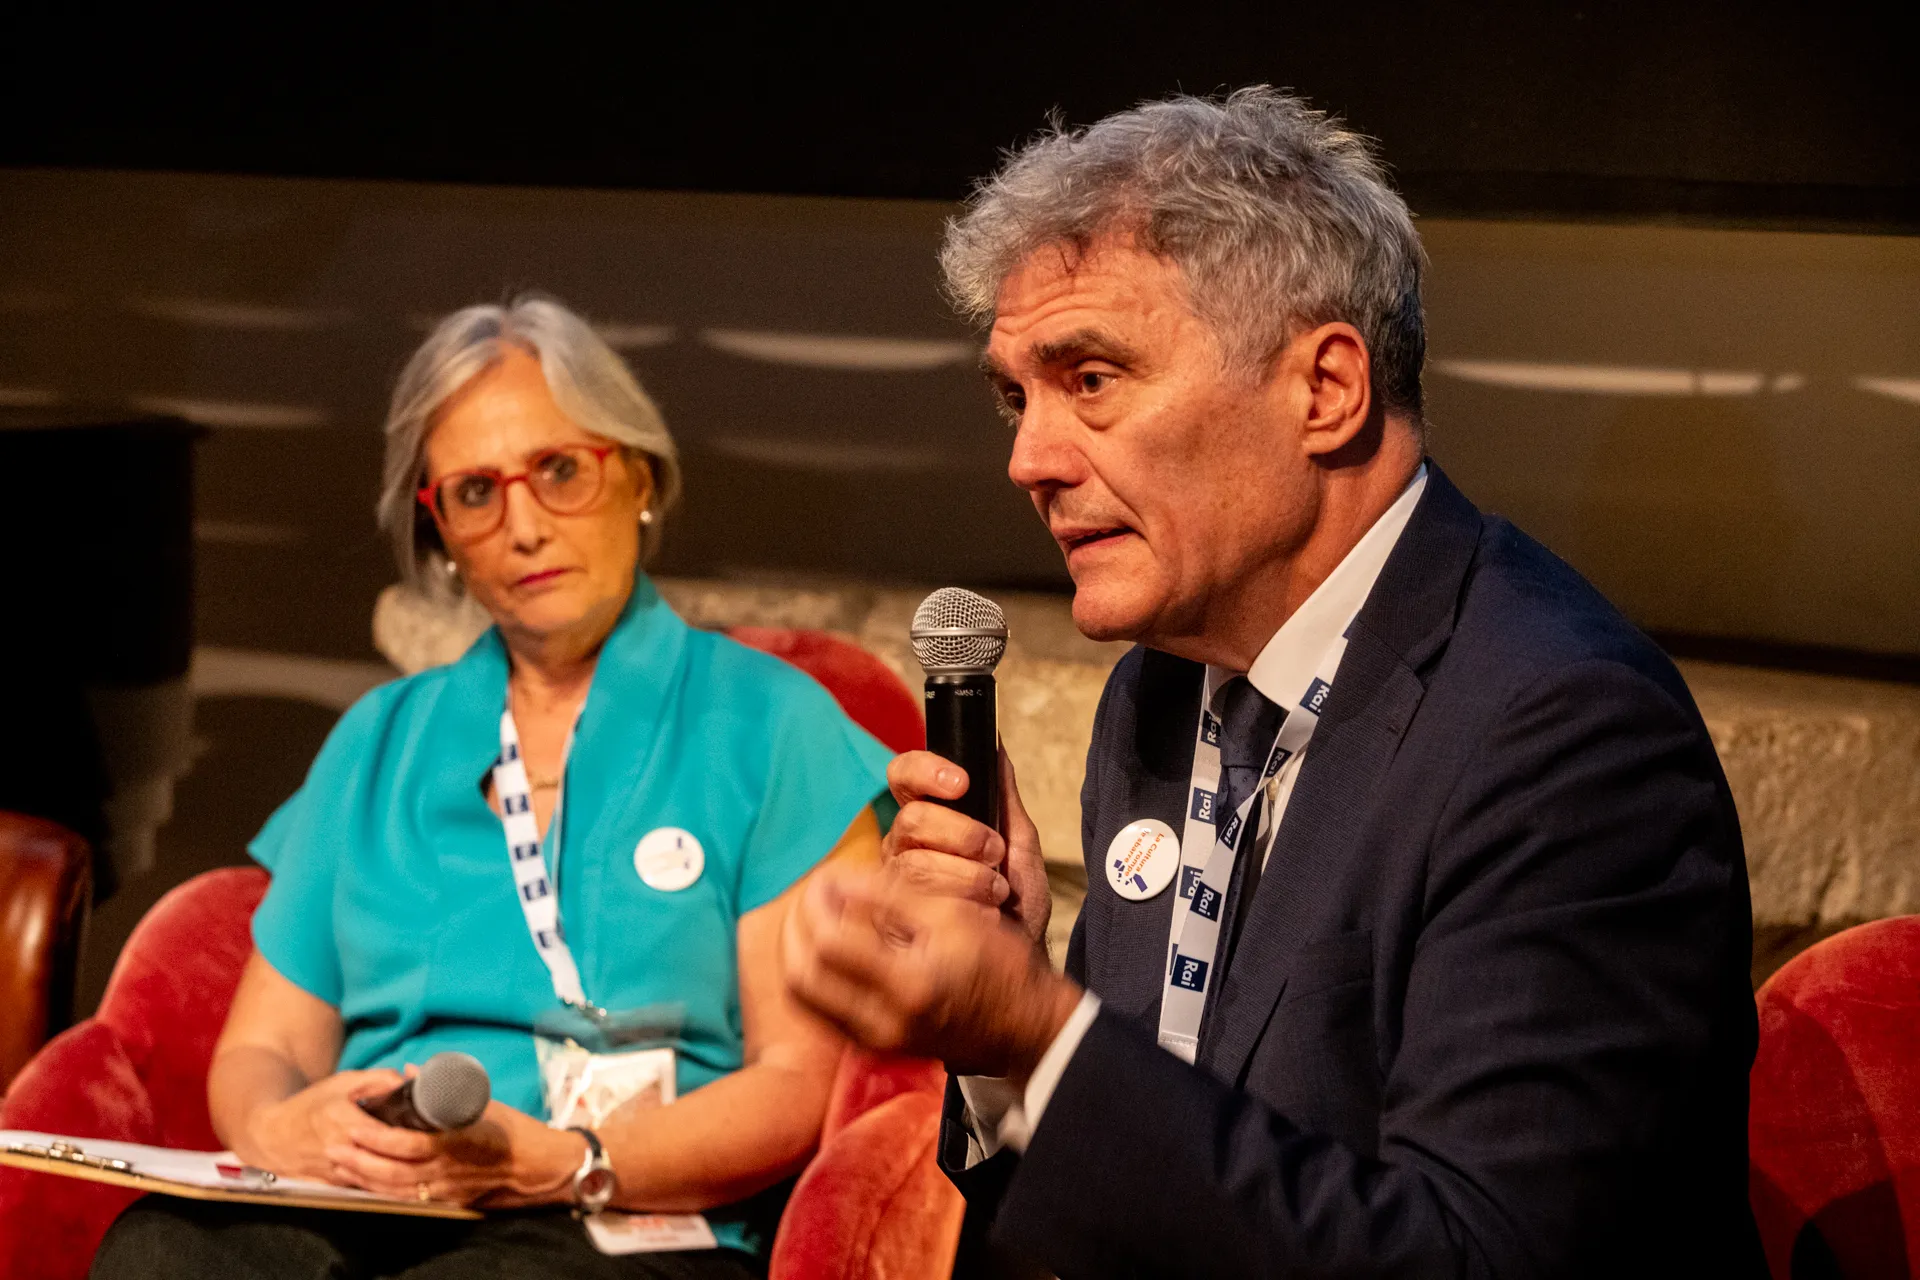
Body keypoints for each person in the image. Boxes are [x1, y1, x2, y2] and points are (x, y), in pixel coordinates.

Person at [782, 89, 1764, 1278]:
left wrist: (1044, 1034)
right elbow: (1148, 1188)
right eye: (1015, 395)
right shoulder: (1159, 688)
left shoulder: (1566, 733)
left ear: (1326, 390)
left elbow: (1469, 1256)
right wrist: (1005, 1044)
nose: (1028, 459)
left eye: (1090, 379)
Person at [92, 296, 892, 1279]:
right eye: (475, 492)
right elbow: (265, 1046)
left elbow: (797, 1082)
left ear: (637, 476)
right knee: (156, 1250)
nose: (523, 526)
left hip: (625, 1209)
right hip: (377, 1197)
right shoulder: (378, 740)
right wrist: (278, 1128)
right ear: (441, 534)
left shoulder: (769, 722)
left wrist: (564, 1162)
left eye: (559, 470)